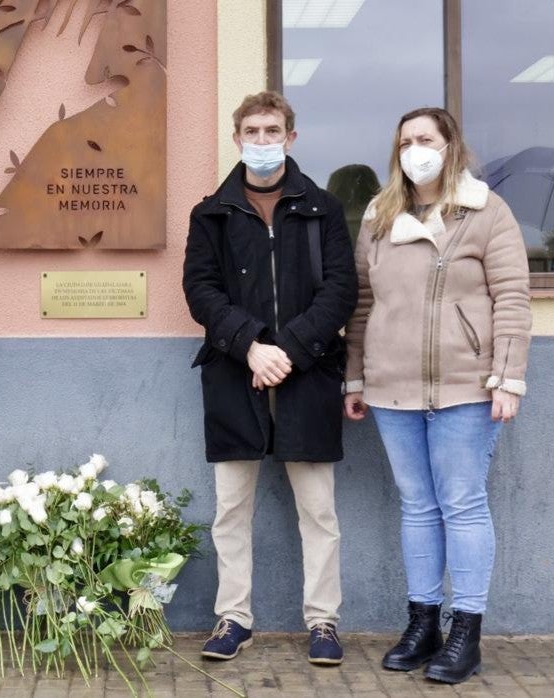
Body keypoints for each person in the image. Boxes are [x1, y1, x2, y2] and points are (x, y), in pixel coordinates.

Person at [343, 107, 531, 685]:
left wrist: (507, 377)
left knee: (463, 504)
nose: (414, 151)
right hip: (392, 386)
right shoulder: (379, 216)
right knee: (418, 506)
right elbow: (362, 304)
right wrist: (355, 377)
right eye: (405, 142)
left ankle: (465, 633)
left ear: (451, 146)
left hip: (466, 387)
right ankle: (422, 624)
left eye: (425, 139)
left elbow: (512, 298)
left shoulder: (486, 211)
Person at [183, 91, 358, 666]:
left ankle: (324, 621)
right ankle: (234, 619)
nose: (262, 141)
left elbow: (341, 290)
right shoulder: (211, 212)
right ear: (237, 138)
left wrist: (288, 352)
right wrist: (252, 348)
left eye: (273, 131)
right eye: (253, 132)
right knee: (231, 509)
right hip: (237, 374)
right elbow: (200, 291)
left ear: (291, 137)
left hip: (308, 375)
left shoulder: (323, 208)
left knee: (319, 510)